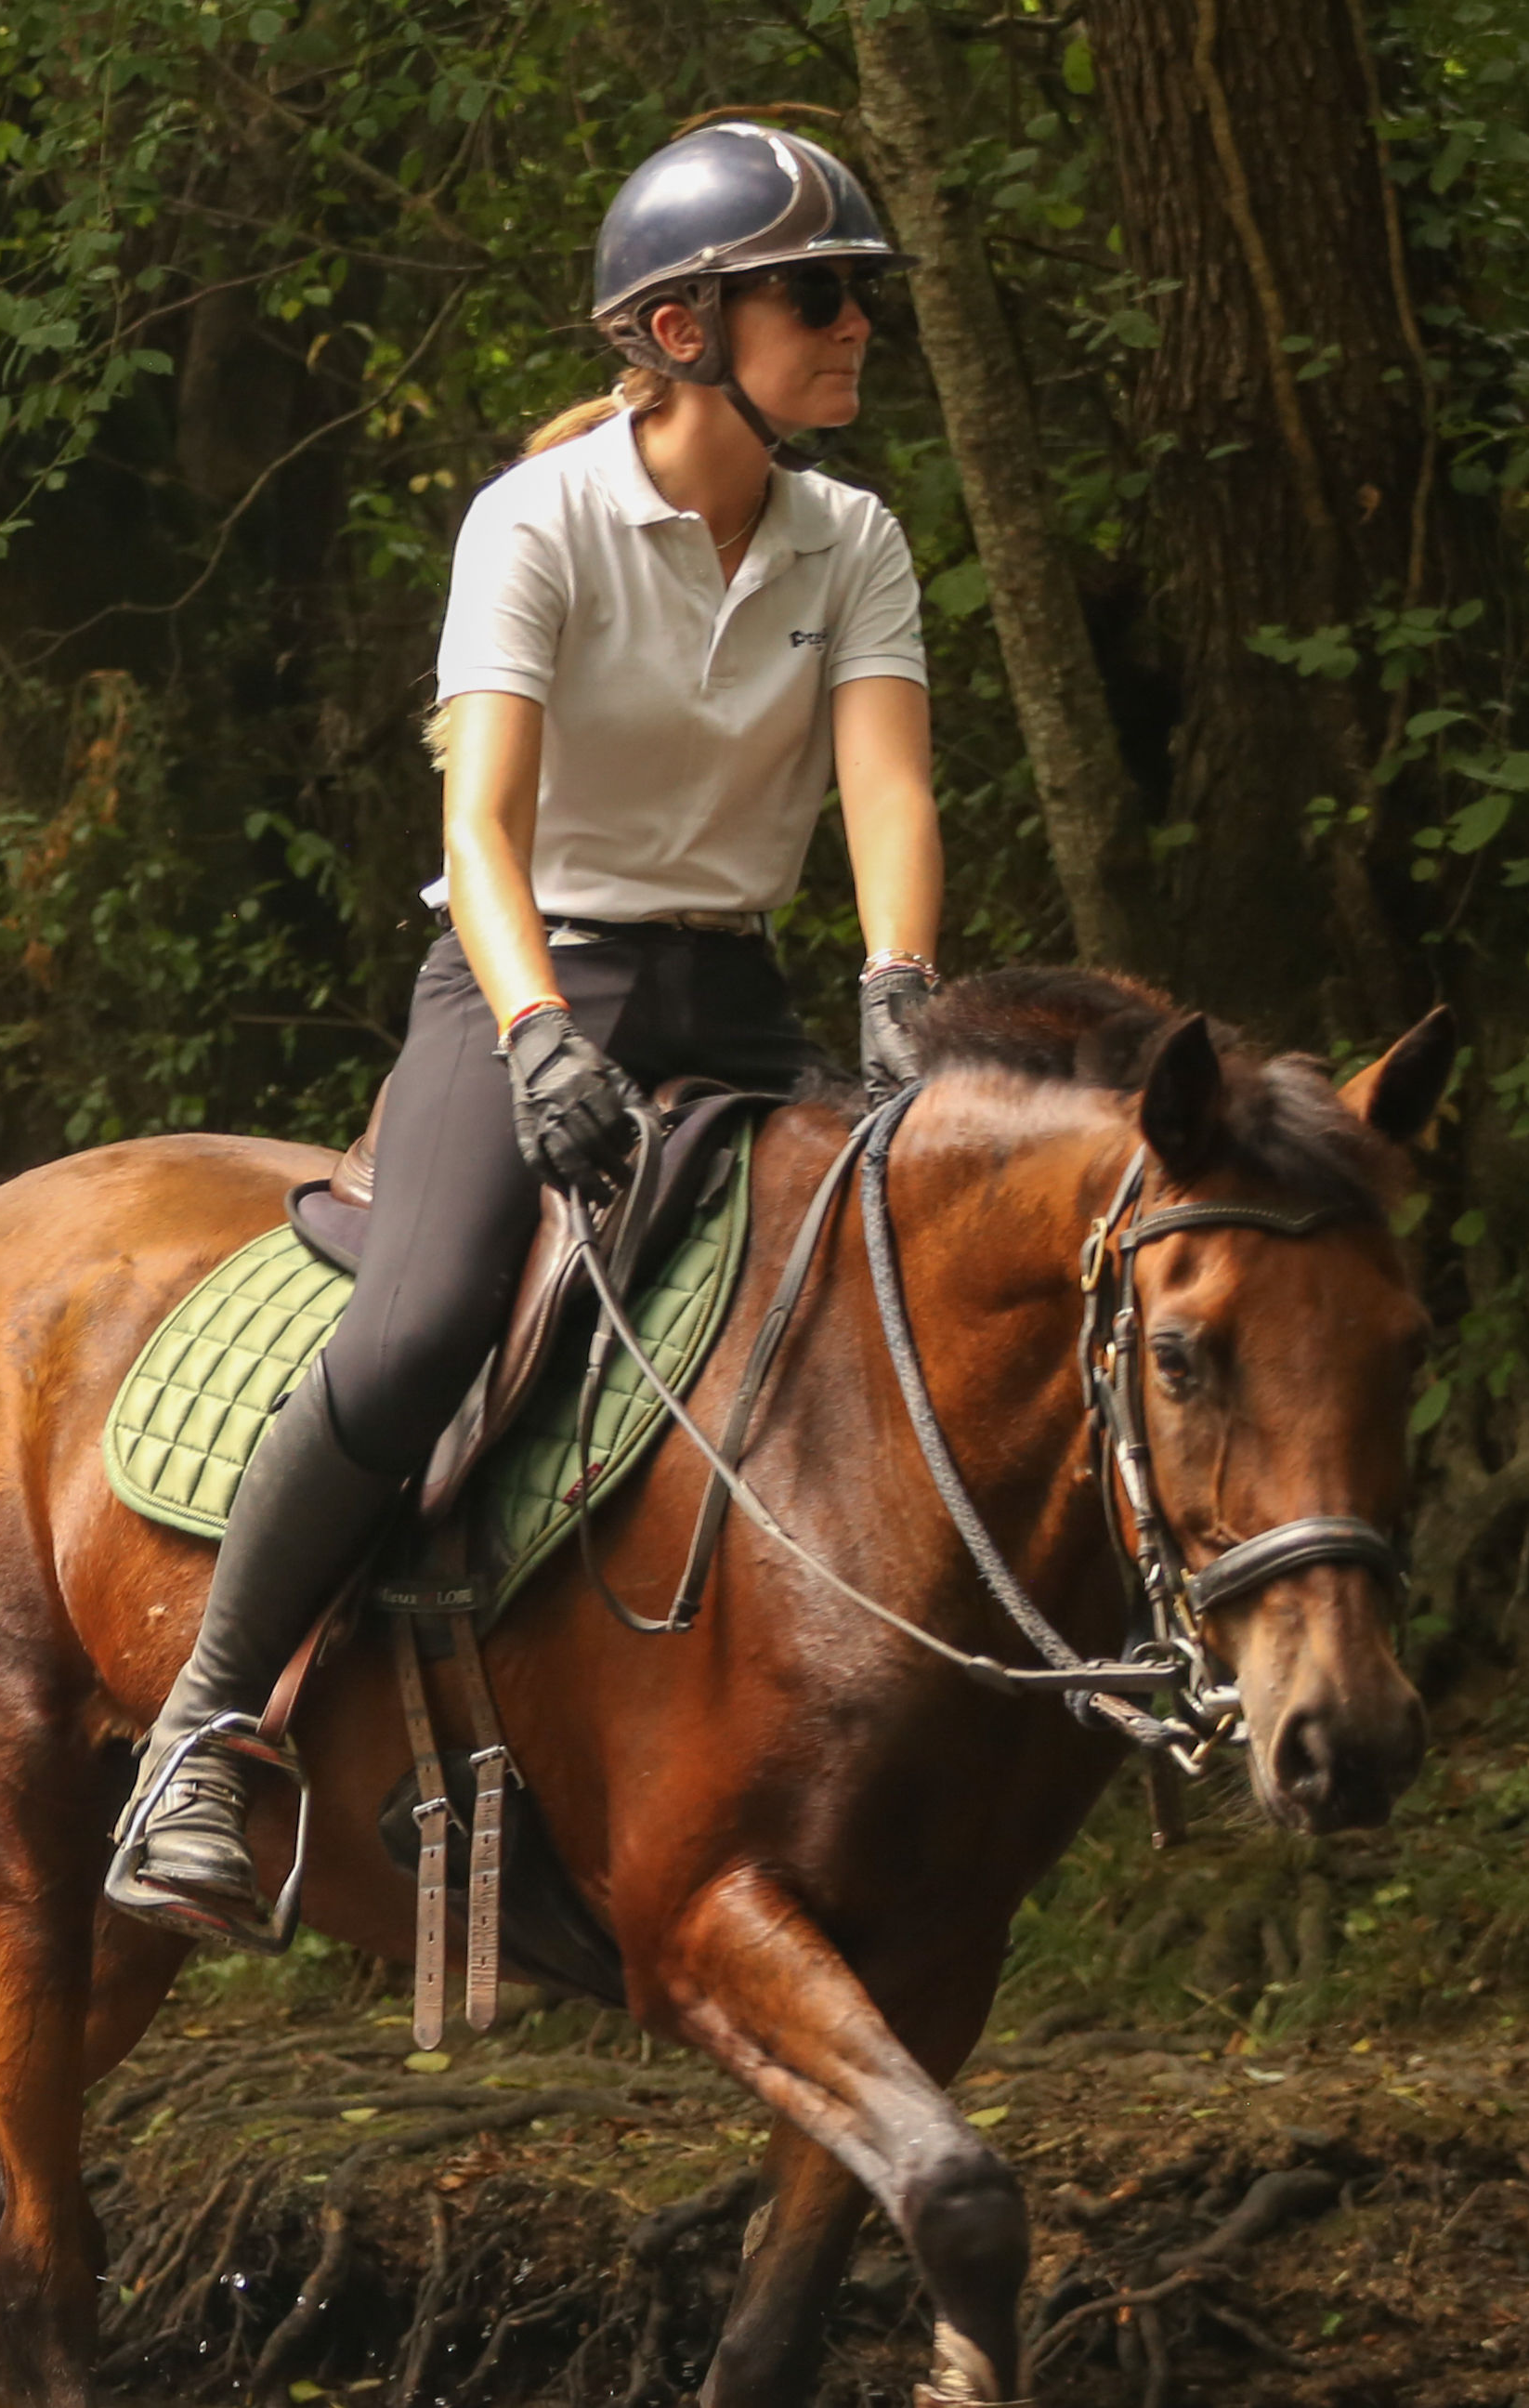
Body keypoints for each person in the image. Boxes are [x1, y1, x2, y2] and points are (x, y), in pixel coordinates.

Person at [108, 121, 947, 1938]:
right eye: (817, 293)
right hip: (528, 974)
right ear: (680, 329)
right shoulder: (536, 521)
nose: (855, 325)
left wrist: (898, 978)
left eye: (859, 295)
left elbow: (886, 787)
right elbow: (480, 826)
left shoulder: (854, 540)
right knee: (420, 1327)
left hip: (737, 994)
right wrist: (540, 1035)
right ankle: (202, 1728)